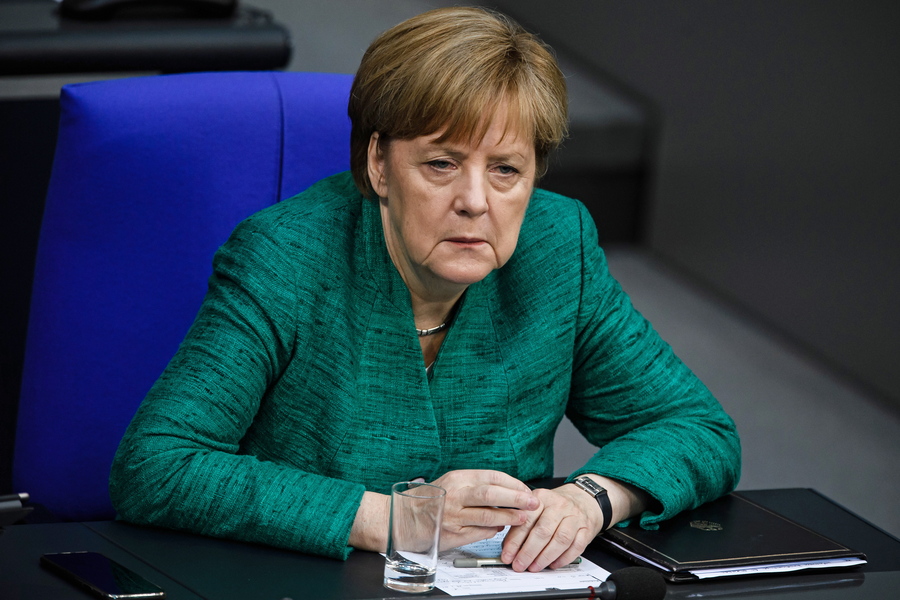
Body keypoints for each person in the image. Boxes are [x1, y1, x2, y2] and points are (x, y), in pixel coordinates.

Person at [109, 6, 740, 573]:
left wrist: (593, 498)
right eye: (441, 163)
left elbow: (697, 427)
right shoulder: (286, 256)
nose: (475, 202)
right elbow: (156, 467)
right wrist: (393, 520)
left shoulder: (557, 247)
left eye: (506, 170)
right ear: (380, 163)